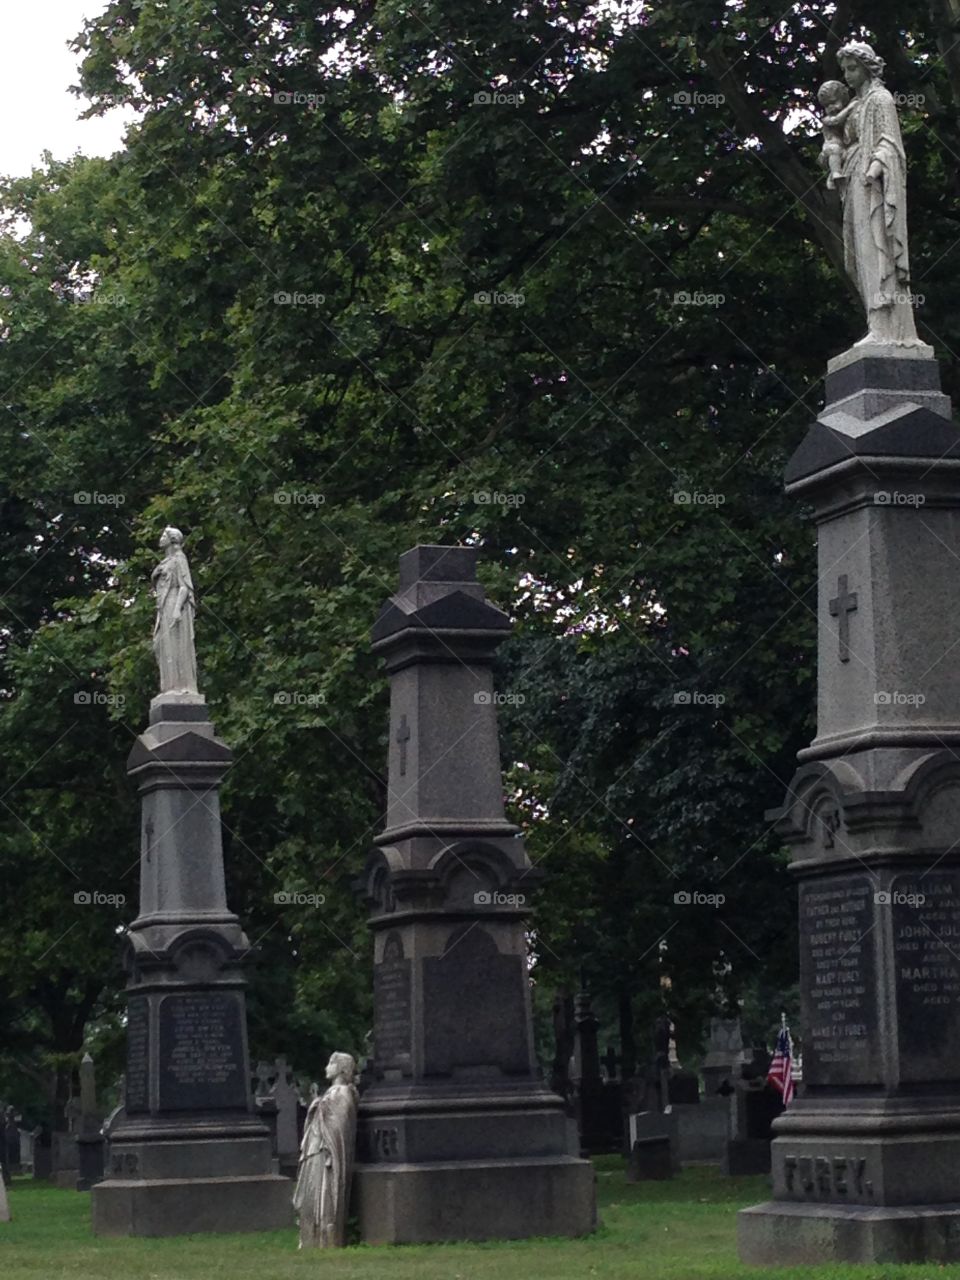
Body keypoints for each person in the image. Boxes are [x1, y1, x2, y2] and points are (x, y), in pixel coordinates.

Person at [293, 1052, 358, 1248]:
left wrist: (319, 1108)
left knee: (323, 1197)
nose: (326, 1067)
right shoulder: (331, 1094)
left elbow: (338, 1128)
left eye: (331, 1063)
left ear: (342, 1068)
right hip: (314, 1150)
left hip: (325, 1153)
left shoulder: (342, 1094)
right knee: (309, 1197)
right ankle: (311, 1238)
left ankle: (325, 1238)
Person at [151, 526, 198, 694]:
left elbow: (184, 587)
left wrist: (177, 609)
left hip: (173, 604)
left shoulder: (179, 558)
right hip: (164, 607)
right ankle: (170, 686)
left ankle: (179, 686)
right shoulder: (166, 561)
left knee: (175, 645)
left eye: (164, 535)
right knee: (162, 645)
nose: (161, 537)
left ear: (171, 539)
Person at [817, 80, 856, 189]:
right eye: (827, 106)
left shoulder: (846, 115)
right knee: (835, 150)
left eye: (833, 102)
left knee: (839, 156)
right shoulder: (827, 119)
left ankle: (833, 176)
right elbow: (836, 121)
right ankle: (835, 174)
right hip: (831, 147)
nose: (831, 108)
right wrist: (849, 108)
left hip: (844, 149)